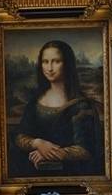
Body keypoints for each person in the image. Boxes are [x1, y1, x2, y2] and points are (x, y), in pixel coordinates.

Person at [13, 40, 103, 176]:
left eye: (56, 61)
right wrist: (37, 143)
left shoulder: (81, 105)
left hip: (71, 174)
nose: (49, 68)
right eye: (45, 62)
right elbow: (20, 136)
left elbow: (85, 150)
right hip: (33, 174)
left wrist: (48, 153)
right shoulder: (35, 101)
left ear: (67, 64)